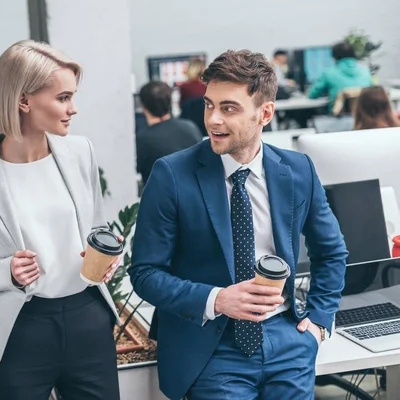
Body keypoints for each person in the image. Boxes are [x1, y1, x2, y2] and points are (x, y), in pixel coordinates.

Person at [129, 49, 347, 400]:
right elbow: (145, 273)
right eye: (208, 105)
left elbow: (332, 251)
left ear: (265, 113)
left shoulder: (297, 170)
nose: (213, 119)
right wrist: (217, 300)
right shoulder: (171, 174)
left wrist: (319, 321)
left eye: (228, 108)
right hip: (211, 350)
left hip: (288, 343)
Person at [0, 40, 122, 400]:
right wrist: (4, 273)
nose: (73, 109)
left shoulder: (79, 151)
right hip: (22, 327)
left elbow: (96, 227)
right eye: (63, 98)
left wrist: (106, 257)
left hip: (87, 316)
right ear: (24, 100)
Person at [136, 80, 203, 185]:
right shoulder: (191, 127)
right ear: (171, 101)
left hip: (160, 198)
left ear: (143, 107)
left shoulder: (142, 139)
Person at [308, 41, 373, 112]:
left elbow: (312, 95)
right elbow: (374, 91)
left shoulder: (329, 73)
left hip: (339, 120)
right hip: (364, 119)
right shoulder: (365, 71)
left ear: (334, 57)